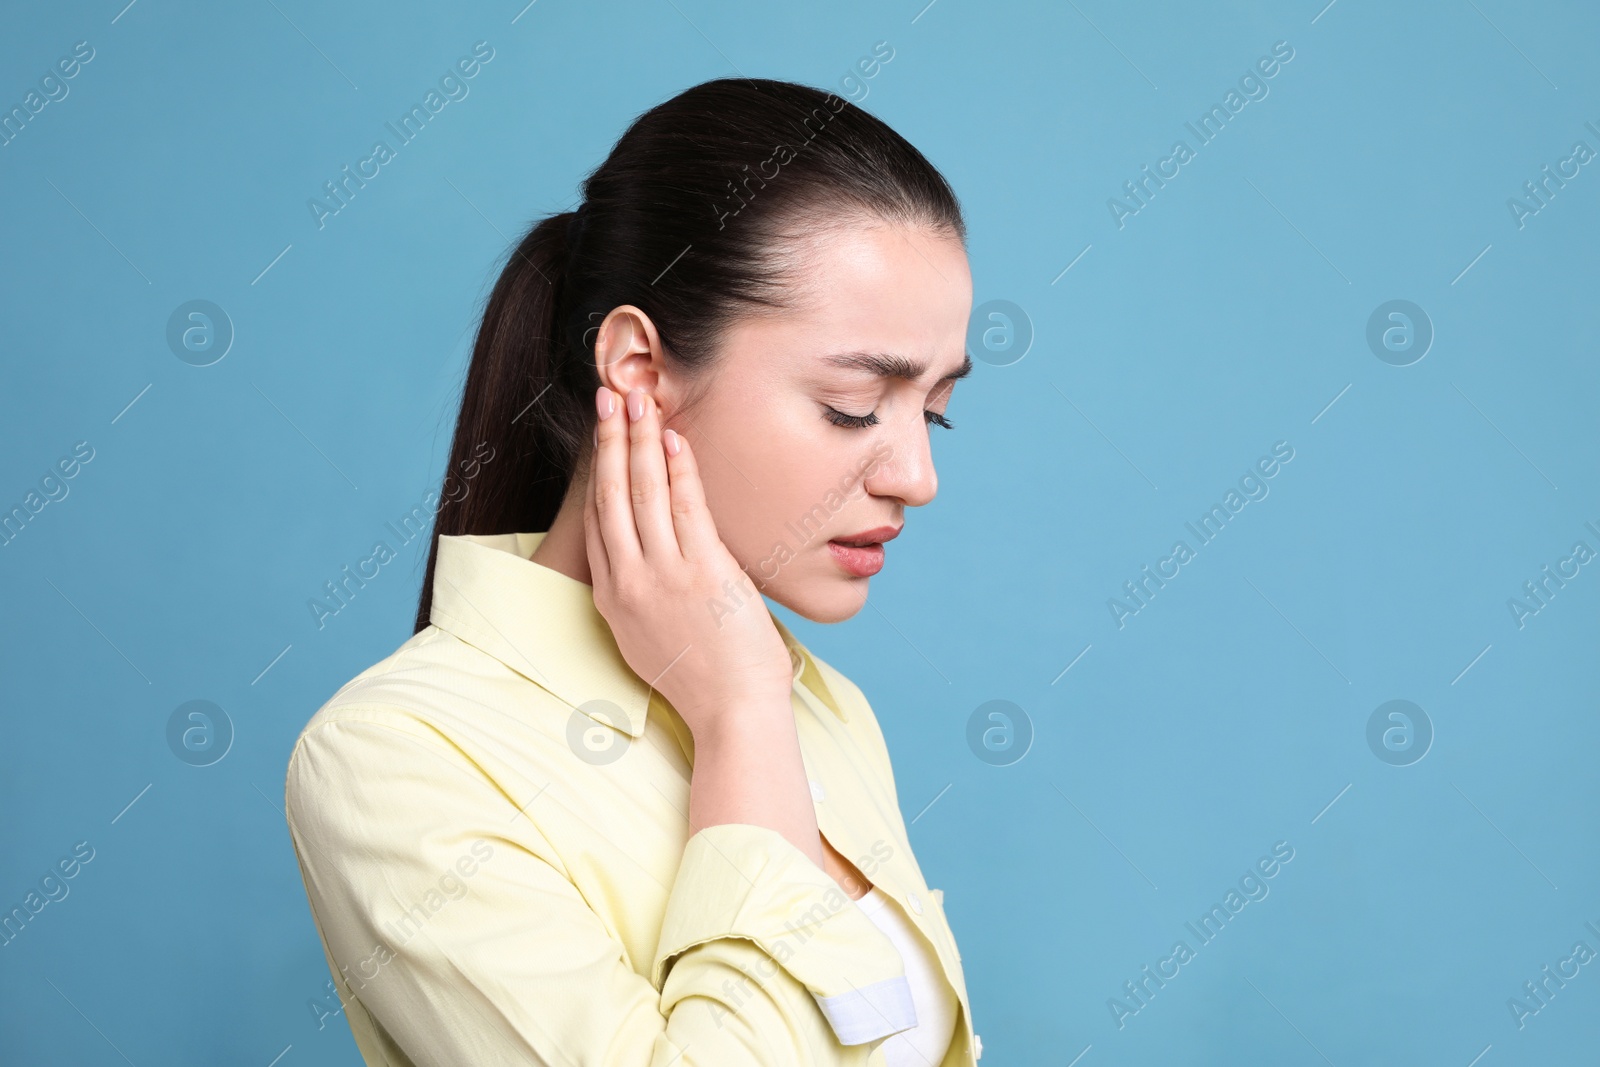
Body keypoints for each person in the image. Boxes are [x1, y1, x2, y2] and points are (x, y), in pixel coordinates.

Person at [284, 75, 982, 1066]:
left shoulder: (824, 708)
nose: (918, 475)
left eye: (937, 409)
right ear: (639, 370)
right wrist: (739, 716)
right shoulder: (393, 757)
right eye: (854, 405)